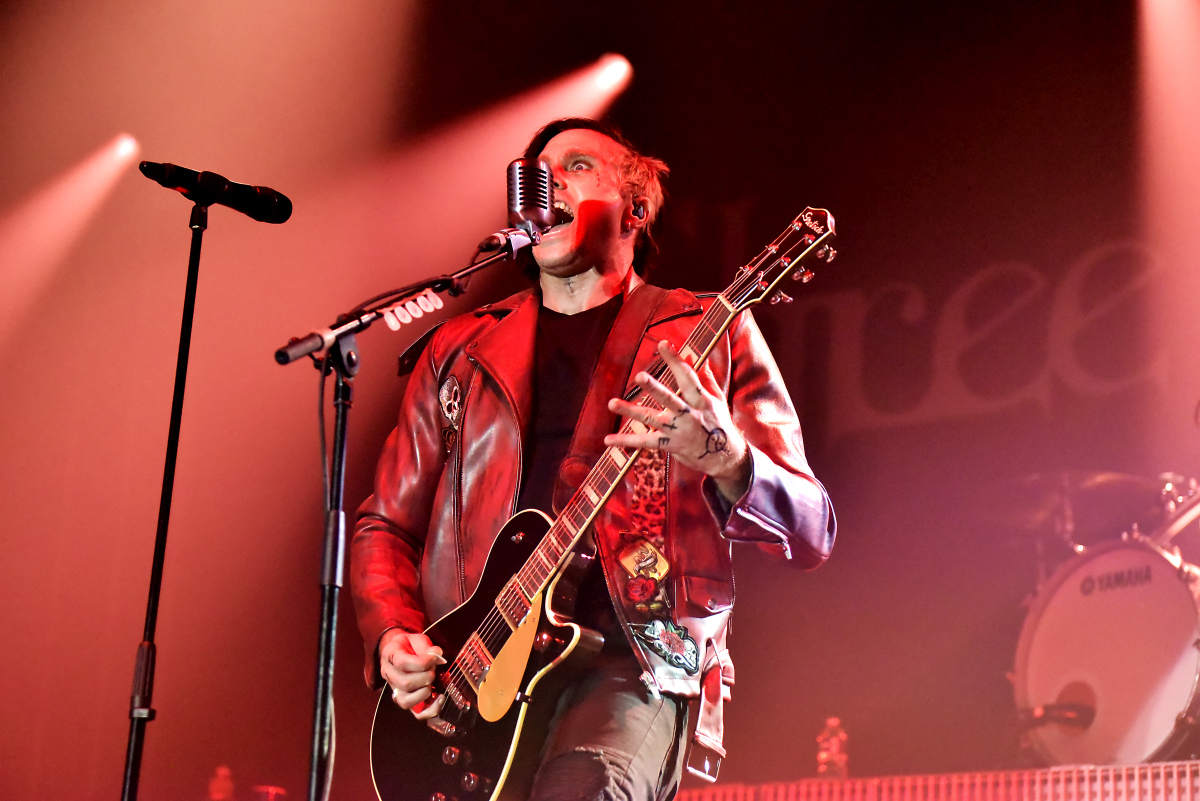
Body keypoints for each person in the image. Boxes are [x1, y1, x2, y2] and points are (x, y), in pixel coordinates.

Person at [351, 117, 835, 801]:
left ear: (635, 210)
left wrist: (726, 455)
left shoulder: (708, 332)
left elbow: (813, 527)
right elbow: (385, 524)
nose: (545, 183)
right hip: (472, 677)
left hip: (633, 665)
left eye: (576, 166)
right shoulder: (458, 350)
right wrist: (393, 633)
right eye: (535, 172)